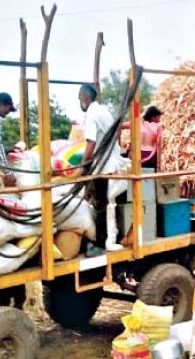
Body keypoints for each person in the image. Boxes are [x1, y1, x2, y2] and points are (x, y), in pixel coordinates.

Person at [78, 84, 129, 254]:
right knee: (107, 203)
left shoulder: (91, 115)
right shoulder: (104, 112)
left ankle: (101, 243)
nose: (79, 101)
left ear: (85, 97)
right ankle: (109, 238)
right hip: (110, 163)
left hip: (103, 166)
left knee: (100, 204)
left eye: (80, 98)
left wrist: (83, 167)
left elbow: (91, 143)